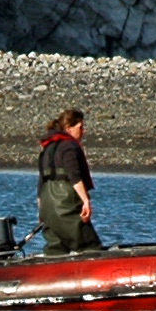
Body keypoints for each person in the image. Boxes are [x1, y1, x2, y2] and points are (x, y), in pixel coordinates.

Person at [35, 107, 102, 254]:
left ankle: (52, 272)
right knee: (89, 246)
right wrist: (85, 201)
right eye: (80, 127)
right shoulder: (69, 147)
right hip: (65, 204)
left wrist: (42, 212)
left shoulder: (46, 149)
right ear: (69, 128)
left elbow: (41, 183)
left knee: (56, 249)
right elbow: (74, 177)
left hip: (47, 206)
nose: (83, 131)